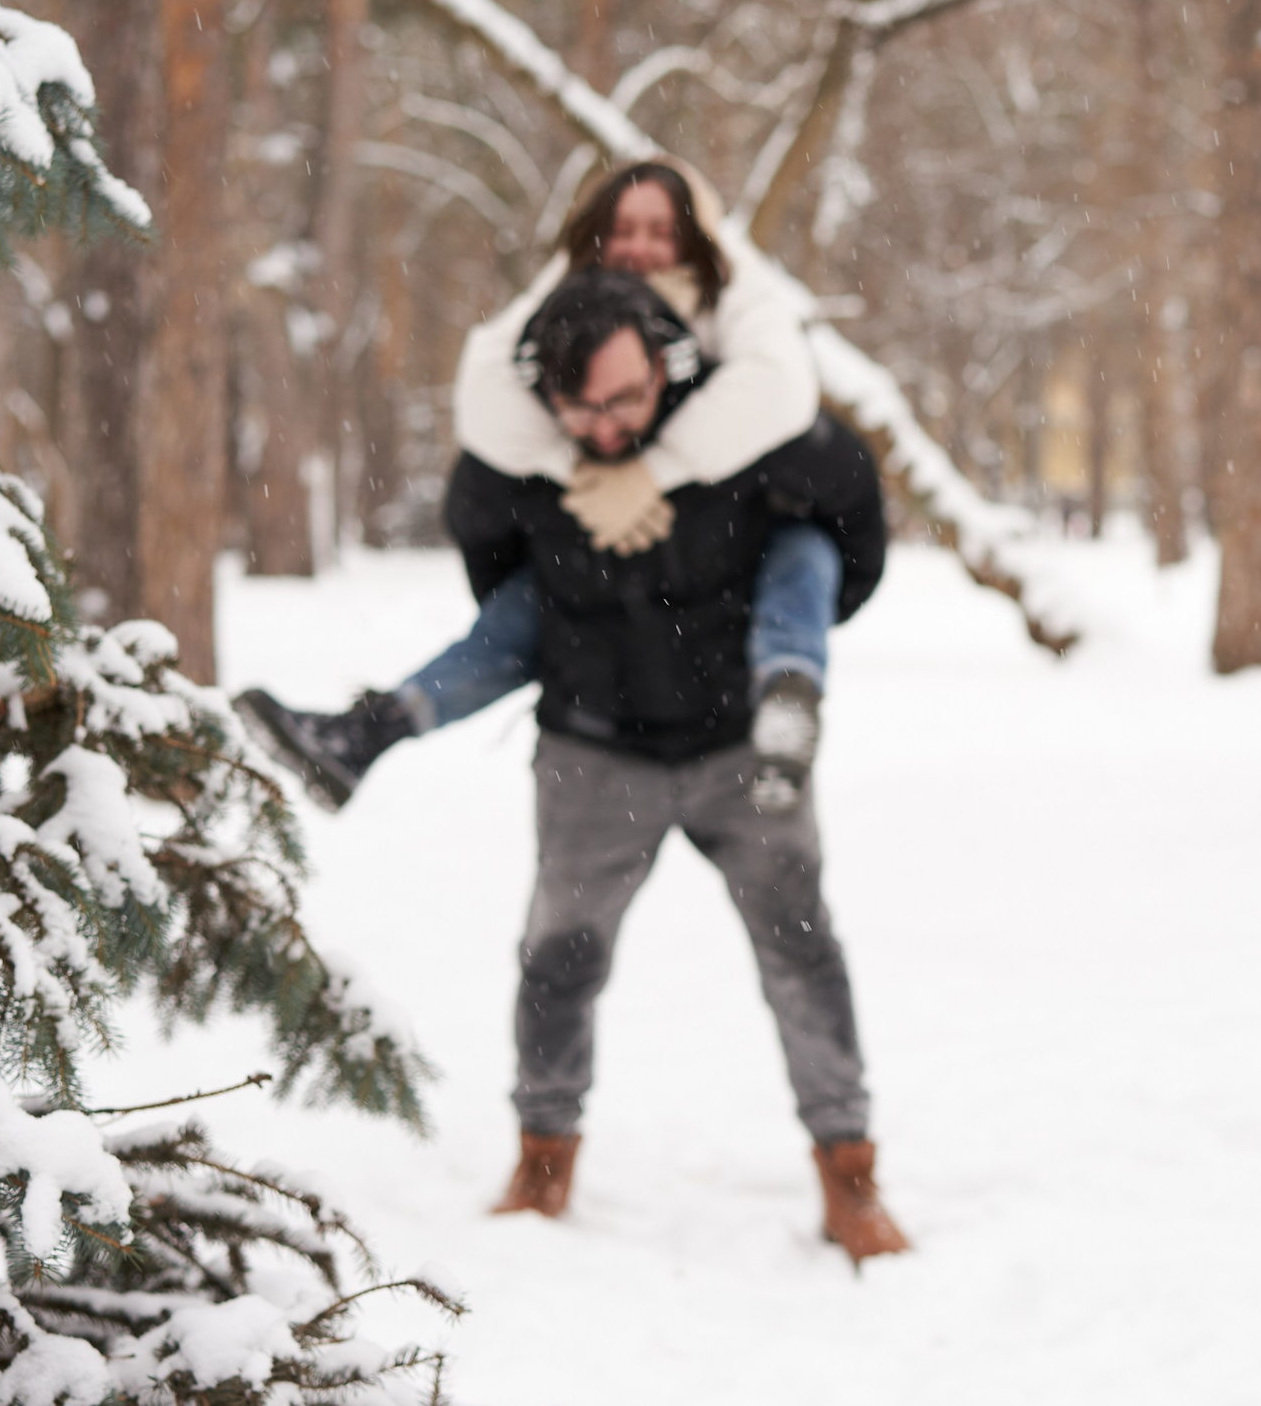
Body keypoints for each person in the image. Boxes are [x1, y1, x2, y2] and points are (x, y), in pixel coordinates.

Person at [447, 269, 908, 1261]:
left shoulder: (745, 415)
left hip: (743, 747)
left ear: (667, 360)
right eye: (580, 407)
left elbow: (849, 511)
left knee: (802, 955)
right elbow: (485, 552)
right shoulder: (523, 454)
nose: (606, 425)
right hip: (593, 749)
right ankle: (542, 1157)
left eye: (625, 397)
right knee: (558, 958)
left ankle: (849, 1172)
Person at [237, 163, 839, 814]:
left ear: (698, 238)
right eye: (622, 229)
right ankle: (372, 729)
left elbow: (782, 387)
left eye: (661, 230)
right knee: (533, 606)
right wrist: (581, 471)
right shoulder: (573, 289)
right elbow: (483, 390)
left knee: (803, 555)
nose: (638, 247)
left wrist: (651, 474)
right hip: (602, 559)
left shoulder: (738, 292)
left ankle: (788, 693)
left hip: (727, 551)